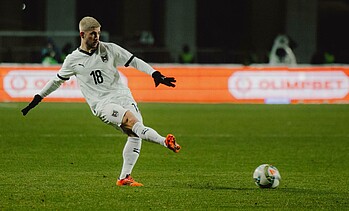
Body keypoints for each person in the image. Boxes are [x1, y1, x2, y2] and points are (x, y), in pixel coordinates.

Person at [21, 16, 181, 187]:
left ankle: (124, 178)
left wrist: (155, 73)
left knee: (135, 134)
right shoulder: (73, 60)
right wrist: (38, 98)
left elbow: (134, 61)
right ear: (82, 34)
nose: (97, 37)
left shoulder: (109, 49)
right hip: (103, 104)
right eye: (92, 34)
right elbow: (56, 81)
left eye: (98, 33)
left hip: (123, 96)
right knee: (131, 121)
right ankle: (165, 141)